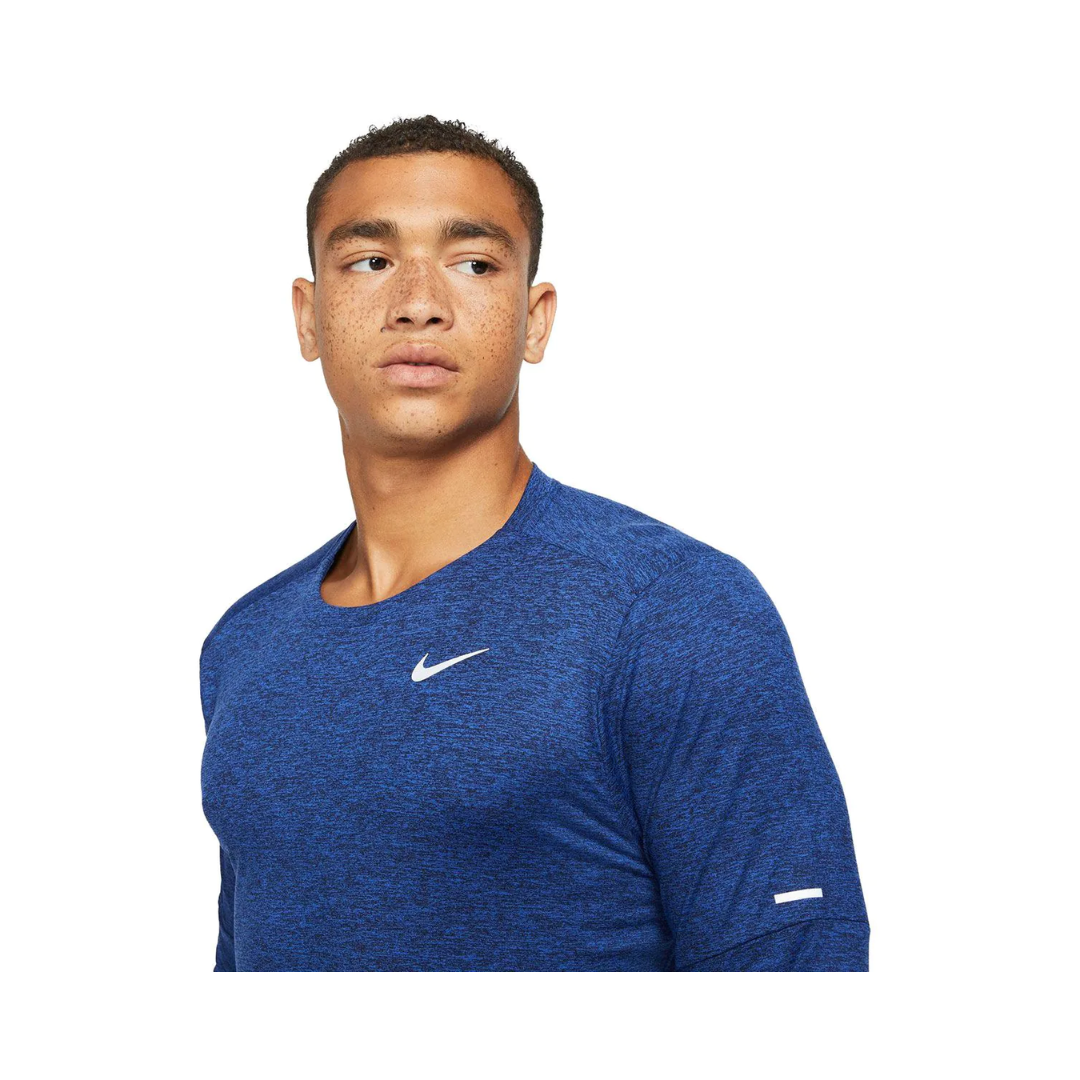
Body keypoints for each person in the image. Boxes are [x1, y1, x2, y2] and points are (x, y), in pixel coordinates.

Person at [199, 114, 870, 972]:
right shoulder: (247, 645)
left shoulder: (671, 610)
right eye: (369, 261)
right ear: (307, 317)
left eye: (474, 264)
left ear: (534, 320)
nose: (418, 302)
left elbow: (803, 981)